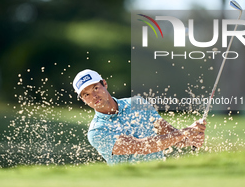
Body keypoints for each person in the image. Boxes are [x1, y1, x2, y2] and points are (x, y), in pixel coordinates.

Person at [73, 69, 206, 165]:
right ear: (83, 100)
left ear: (105, 84)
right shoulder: (97, 132)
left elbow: (171, 135)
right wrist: (184, 132)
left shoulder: (137, 103)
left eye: (95, 88)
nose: (94, 96)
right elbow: (142, 147)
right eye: (86, 95)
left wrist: (190, 140)